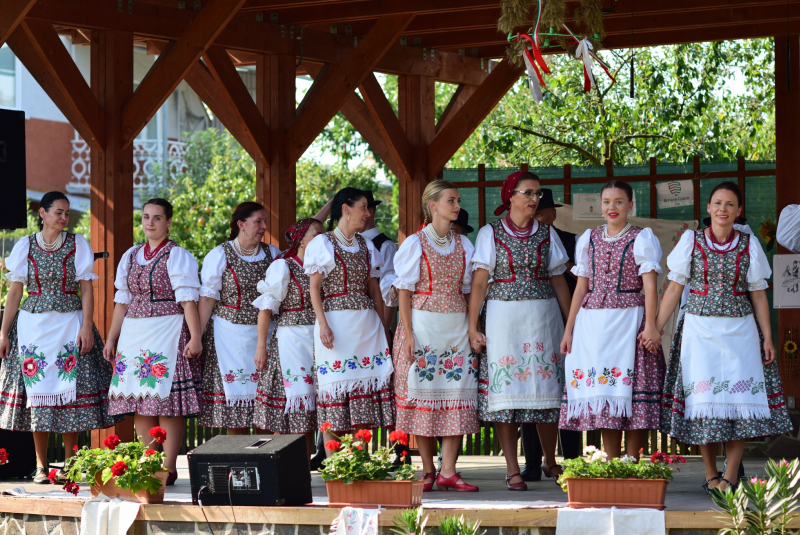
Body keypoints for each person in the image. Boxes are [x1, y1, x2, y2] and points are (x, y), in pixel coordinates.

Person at [656, 182, 791, 495]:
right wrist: (656, 327)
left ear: (739, 211)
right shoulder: (692, 241)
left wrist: (767, 337)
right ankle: (710, 473)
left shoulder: (748, 243)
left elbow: (757, 294)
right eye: (717, 203)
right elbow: (674, 288)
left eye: (730, 204)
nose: (723, 209)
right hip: (699, 332)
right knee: (705, 404)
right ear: (708, 208)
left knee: (738, 403)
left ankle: (730, 475)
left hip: (740, 331)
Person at [0, 192, 117, 483]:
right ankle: (41, 466)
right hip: (33, 328)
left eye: (67, 213)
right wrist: (3, 331)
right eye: (58, 212)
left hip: (69, 324)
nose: (64, 218)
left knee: (70, 395)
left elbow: (87, 288)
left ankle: (70, 465)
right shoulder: (25, 246)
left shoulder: (78, 244)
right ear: (43, 213)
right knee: (38, 396)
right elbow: (15, 292)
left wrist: (87, 326)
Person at [469, 171, 572, 491]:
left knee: (547, 393)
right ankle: (512, 468)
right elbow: (480, 282)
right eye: (528, 193)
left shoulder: (546, 233)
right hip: (504, 322)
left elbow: (558, 280)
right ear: (510, 197)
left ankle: (550, 460)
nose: (534, 199)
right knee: (506, 394)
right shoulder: (491, 233)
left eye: (537, 194)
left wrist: (571, 324)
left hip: (544, 320)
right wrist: (473, 327)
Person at [558, 181, 664, 459]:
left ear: (630, 205)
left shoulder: (642, 238)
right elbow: (581, 288)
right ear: (600, 205)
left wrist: (651, 325)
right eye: (606, 201)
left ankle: (633, 463)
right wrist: (569, 330)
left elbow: (650, 287)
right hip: (593, 325)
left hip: (630, 321)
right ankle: (612, 463)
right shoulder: (589, 238)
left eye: (618, 201)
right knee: (605, 390)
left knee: (633, 393)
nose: (612, 207)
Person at [104, 198, 202, 486]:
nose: (150, 222)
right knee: (140, 399)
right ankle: (149, 462)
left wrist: (195, 337)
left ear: (169, 222)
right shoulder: (131, 255)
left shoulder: (177, 255)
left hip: (167, 329)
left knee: (167, 400)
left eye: (157, 218)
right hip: (134, 333)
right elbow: (122, 301)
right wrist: (112, 338)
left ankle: (169, 467)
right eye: (146, 217)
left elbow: (187, 300)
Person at [393, 181, 479, 492]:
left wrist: (472, 328)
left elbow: (470, 291)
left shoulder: (464, 245)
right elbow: (404, 291)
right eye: (451, 200)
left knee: (456, 394)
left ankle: (449, 470)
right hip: (423, 326)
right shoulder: (415, 243)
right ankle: (428, 469)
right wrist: (409, 333)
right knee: (423, 398)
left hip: (455, 328)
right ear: (433, 205)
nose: (456, 206)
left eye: (457, 200)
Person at [305, 187, 394, 443]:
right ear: (346, 209)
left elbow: (374, 289)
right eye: (363, 207)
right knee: (335, 390)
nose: (368, 213)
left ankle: (357, 462)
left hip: (366, 327)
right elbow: (314, 288)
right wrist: (322, 326)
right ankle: (335, 465)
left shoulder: (366, 245)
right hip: (335, 325)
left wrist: (382, 326)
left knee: (362, 393)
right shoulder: (324, 243)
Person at [197, 202, 280, 434]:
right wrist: (196, 337)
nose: (264, 226)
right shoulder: (220, 254)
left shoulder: (273, 254)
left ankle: (265, 465)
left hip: (266, 335)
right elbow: (207, 299)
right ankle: (238, 466)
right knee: (235, 413)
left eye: (264, 221)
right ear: (241, 225)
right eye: (258, 222)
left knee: (265, 409)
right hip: (228, 338)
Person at [519, 189, 582, 480]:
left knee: (564, 390)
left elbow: (582, 280)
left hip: (566, 322)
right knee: (530, 388)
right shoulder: (520, 240)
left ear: (553, 215)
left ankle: (573, 460)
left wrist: (564, 263)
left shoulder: (573, 241)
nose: (535, 217)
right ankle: (533, 462)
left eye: (540, 212)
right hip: (530, 323)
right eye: (532, 211)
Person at [252, 218, 323, 456]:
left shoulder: (321, 266)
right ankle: (288, 468)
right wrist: (261, 346)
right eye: (316, 234)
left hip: (317, 339)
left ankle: (302, 467)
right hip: (290, 341)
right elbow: (266, 308)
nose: (322, 239)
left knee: (311, 407)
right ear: (301, 238)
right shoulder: (284, 266)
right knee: (290, 408)